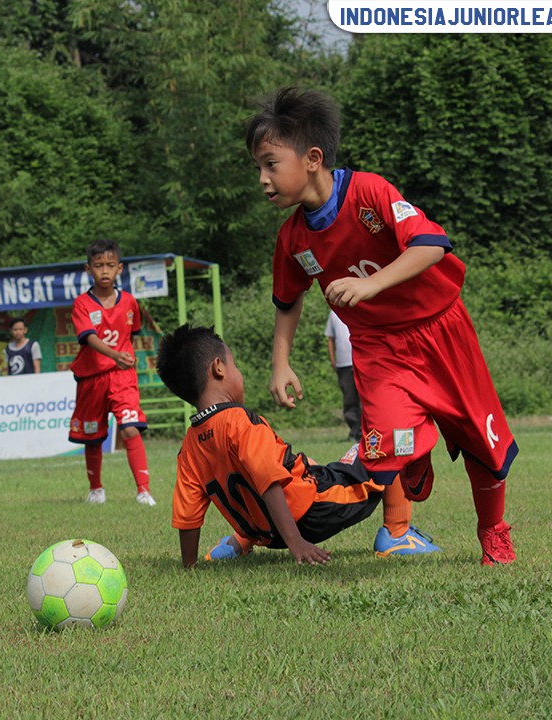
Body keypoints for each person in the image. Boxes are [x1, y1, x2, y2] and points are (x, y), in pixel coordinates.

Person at [248, 87, 518, 565]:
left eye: (271, 164)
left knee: (482, 443)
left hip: (442, 330)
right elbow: (288, 302)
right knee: (385, 447)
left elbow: (432, 246)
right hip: (377, 346)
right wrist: (280, 363)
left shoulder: (370, 192)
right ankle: (414, 456)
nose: (263, 179)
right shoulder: (292, 238)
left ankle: (493, 531)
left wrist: (372, 286)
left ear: (312, 158)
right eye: (258, 169)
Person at [156, 324, 425, 568]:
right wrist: (296, 542)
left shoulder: (190, 445)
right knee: (396, 435)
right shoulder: (240, 421)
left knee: (314, 465)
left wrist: (189, 566)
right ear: (219, 368)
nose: (239, 373)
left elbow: (188, 515)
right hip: (313, 512)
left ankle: (240, 541)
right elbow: (269, 482)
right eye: (234, 365)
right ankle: (397, 533)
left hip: (266, 534)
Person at [68, 239, 156, 507]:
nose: (104, 271)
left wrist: (123, 358)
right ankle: (96, 489)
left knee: (130, 428)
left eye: (109, 265)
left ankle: (143, 491)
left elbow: (133, 332)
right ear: (88, 269)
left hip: (122, 377)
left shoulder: (130, 302)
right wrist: (114, 354)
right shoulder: (82, 304)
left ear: (120, 268)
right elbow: (89, 337)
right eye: (98, 266)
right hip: (92, 378)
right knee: (93, 437)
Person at [325, 311, 362, 443]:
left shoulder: (360, 305)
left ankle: (366, 433)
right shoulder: (333, 313)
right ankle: (354, 433)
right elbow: (331, 339)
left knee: (365, 400)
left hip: (362, 361)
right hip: (343, 364)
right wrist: (333, 361)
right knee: (349, 400)